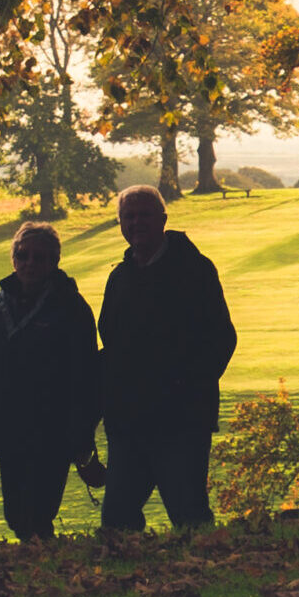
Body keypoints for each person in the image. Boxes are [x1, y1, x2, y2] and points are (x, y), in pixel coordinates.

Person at [97, 185, 236, 531]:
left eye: (144, 215)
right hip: (129, 422)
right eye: (129, 216)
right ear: (120, 225)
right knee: (117, 519)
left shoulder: (194, 270)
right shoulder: (120, 277)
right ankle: (129, 583)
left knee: (189, 515)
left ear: (163, 219)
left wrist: (188, 388)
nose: (137, 222)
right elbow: (110, 344)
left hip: (181, 421)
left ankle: (206, 579)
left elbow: (222, 338)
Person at [0, 222, 102, 541]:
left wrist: (81, 437)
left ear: (54, 262)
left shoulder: (71, 308)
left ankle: (43, 573)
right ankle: (39, 570)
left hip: (53, 430)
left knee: (39, 512)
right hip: (9, 428)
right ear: (13, 259)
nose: (30, 264)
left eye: (40, 257)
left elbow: (85, 378)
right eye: (23, 255)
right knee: (15, 515)